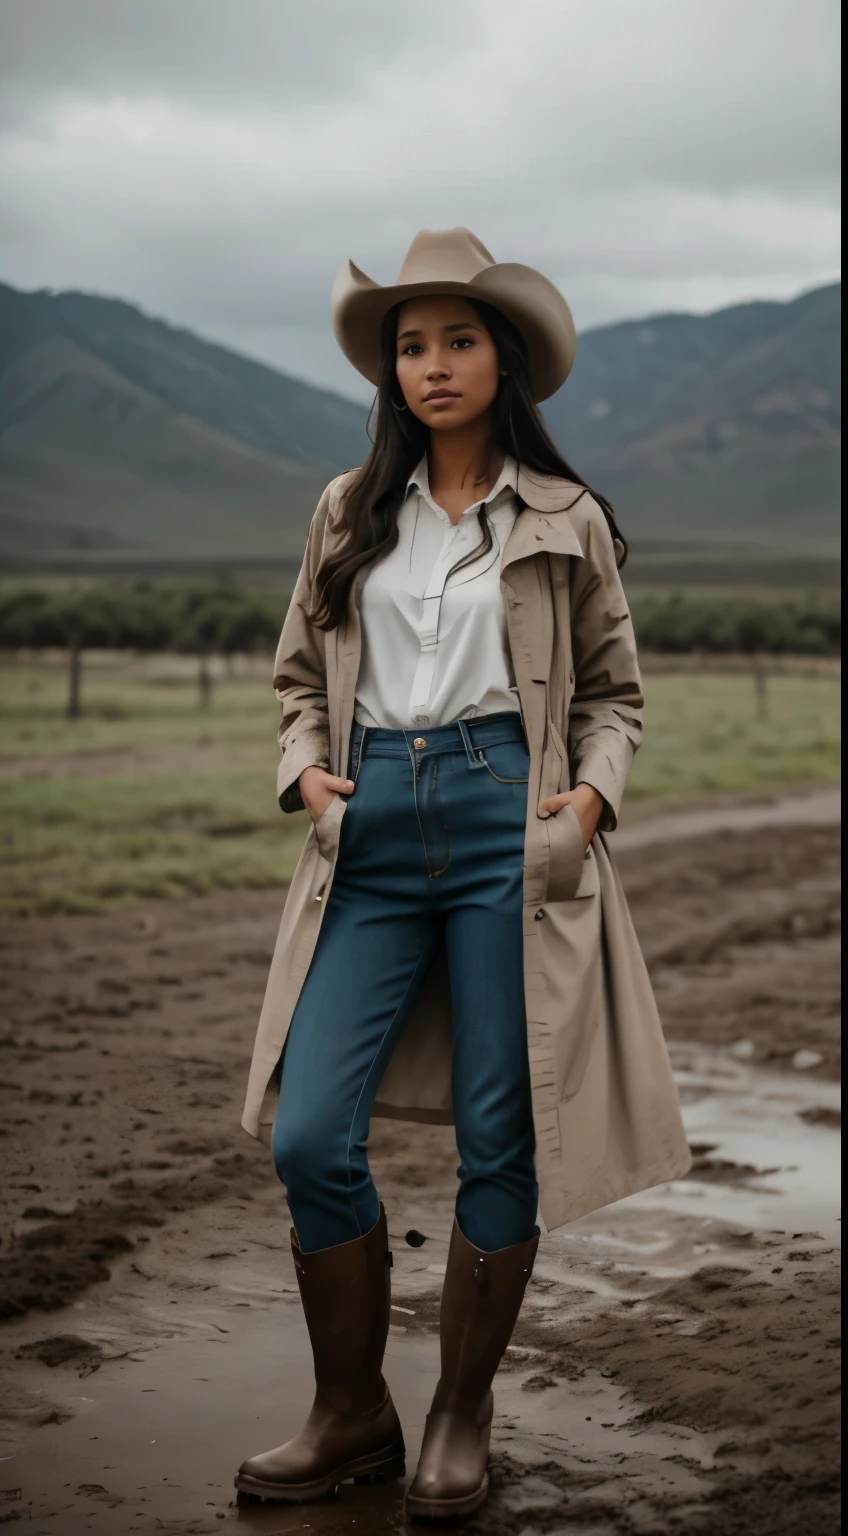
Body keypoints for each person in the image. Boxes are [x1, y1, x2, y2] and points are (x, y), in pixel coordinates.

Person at [235, 228, 691, 1519]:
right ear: (392, 369)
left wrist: (591, 797)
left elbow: (614, 693)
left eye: (460, 339)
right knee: (313, 1132)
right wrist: (305, 773)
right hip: (370, 829)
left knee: (507, 1134)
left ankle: (457, 1415)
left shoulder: (564, 518)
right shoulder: (344, 511)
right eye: (412, 344)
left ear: (506, 361)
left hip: (511, 821)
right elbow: (293, 684)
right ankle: (348, 1413)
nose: (434, 365)